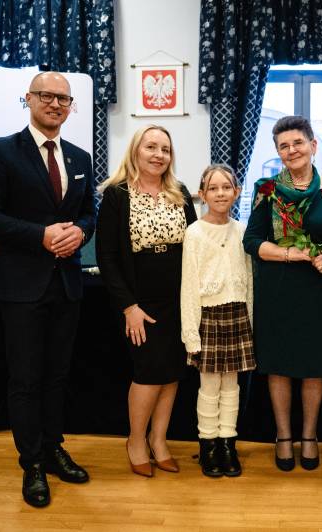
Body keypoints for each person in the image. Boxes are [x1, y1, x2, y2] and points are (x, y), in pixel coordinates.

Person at [0, 72, 95, 508]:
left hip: (66, 283)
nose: (55, 104)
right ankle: (32, 463)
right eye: (47, 95)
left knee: (57, 376)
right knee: (26, 379)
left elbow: (89, 213)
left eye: (63, 99)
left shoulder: (79, 157)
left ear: (70, 107)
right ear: (29, 99)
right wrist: (39, 235)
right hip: (20, 285)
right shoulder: (1, 150)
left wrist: (80, 231)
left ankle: (53, 447)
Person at [243, 115, 322, 471]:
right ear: (278, 152)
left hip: (320, 290)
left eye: (298, 143)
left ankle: (310, 435)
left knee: (315, 366)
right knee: (279, 366)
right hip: (278, 290)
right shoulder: (266, 189)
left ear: (313, 145)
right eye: (283, 146)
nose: (292, 150)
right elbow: (251, 241)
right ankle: (283, 436)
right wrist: (289, 254)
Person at [95, 125, 197, 478]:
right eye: (151, 147)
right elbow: (107, 256)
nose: (158, 154)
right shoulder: (117, 194)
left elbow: (195, 242)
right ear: (136, 150)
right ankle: (136, 440)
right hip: (140, 301)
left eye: (165, 149)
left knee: (172, 372)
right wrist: (129, 306)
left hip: (178, 298)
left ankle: (159, 439)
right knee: (149, 372)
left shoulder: (179, 192)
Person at [181, 164, 255, 478]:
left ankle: (228, 444)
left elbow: (248, 279)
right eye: (213, 188)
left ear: (236, 192)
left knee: (232, 386)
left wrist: (251, 320)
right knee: (209, 385)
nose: (220, 193)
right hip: (208, 316)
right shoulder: (194, 233)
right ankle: (208, 445)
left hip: (237, 314)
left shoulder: (242, 230)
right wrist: (190, 333)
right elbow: (188, 285)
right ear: (202, 194)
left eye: (226, 187)